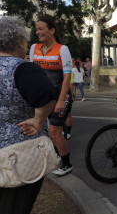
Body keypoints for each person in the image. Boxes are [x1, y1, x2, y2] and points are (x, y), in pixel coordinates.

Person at [0, 16, 56, 214]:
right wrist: (39, 120)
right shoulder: (22, 68)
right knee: (16, 205)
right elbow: (47, 95)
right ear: (18, 41)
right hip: (18, 154)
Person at [29, 16, 74, 176]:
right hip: (43, 97)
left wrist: (61, 100)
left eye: (41, 28)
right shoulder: (34, 48)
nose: (38, 32)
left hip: (60, 96)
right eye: (37, 29)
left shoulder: (62, 49)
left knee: (55, 131)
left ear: (52, 30)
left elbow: (67, 77)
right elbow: (33, 75)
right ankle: (53, 155)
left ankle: (67, 164)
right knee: (42, 129)